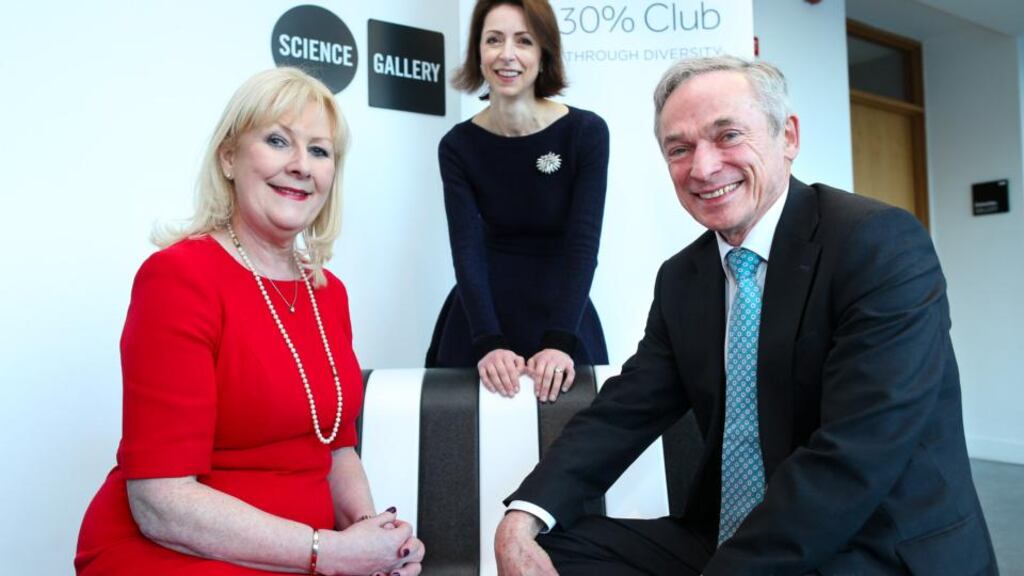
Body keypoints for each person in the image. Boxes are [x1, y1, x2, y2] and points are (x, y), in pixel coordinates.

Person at [494, 56, 997, 575]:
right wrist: (526, 513)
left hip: (869, 545)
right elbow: (624, 410)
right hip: (731, 536)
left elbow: (854, 455)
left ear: (788, 137)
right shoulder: (683, 278)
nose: (703, 167)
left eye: (728, 136)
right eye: (679, 149)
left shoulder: (877, 244)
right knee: (549, 556)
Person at [75, 67, 424, 576]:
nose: (300, 165)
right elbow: (159, 501)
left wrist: (374, 542)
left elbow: (335, 447)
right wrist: (331, 553)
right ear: (228, 158)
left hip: (306, 555)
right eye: (278, 141)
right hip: (179, 553)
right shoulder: (178, 277)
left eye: (319, 151)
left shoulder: (328, 293)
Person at [426, 0, 610, 403]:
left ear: (544, 53)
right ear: (478, 51)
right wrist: (488, 342)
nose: (506, 54)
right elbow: (467, 249)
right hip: (480, 320)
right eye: (494, 40)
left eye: (523, 41)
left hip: (563, 318)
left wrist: (560, 340)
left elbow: (583, 244)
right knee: (458, 436)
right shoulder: (457, 146)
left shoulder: (585, 132)